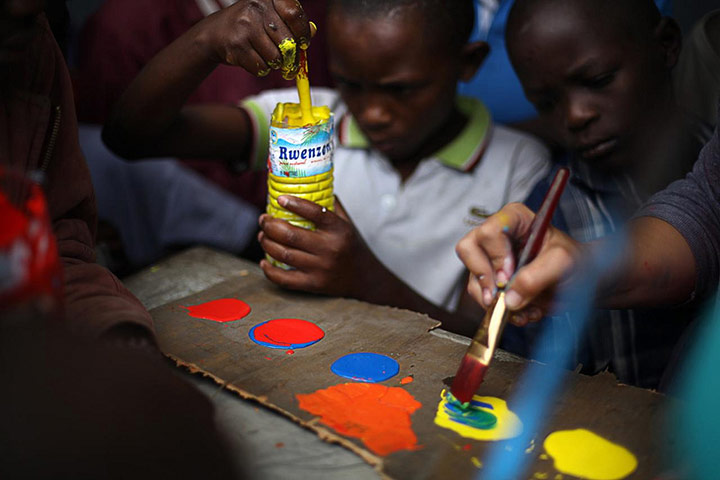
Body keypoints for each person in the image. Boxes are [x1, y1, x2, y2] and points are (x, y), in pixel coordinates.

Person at [102, 0, 551, 336]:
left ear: (467, 63)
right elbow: (130, 137)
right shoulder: (307, 118)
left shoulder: (517, 166)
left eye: (402, 90)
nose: (373, 113)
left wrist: (366, 281)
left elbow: (495, 339)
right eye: (352, 84)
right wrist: (204, 41)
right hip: (293, 347)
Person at [0, 1, 238, 476]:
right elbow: (127, 134)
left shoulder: (29, 47)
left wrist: (116, 333)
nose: (24, 15)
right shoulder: (127, 25)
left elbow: (61, 244)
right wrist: (205, 41)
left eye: (34, 15)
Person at [472, 0, 709, 389]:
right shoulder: (547, 218)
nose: (575, 115)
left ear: (666, 45)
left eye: (598, 80)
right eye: (547, 103)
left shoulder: (710, 166)